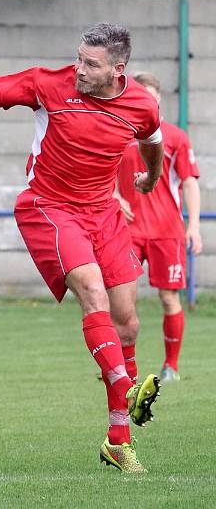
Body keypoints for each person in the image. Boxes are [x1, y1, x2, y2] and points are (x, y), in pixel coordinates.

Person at [0, 23, 163, 471]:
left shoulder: (140, 103)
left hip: (105, 214)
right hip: (50, 208)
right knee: (93, 295)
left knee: (129, 324)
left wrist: (151, 178)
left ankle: (118, 440)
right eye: (78, 57)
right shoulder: (50, 84)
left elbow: (152, 141)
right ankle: (126, 390)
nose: (79, 68)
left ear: (119, 69)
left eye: (90, 64)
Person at [114, 72, 202, 386]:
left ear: (159, 98)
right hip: (126, 231)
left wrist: (193, 226)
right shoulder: (118, 132)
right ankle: (123, 369)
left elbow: (189, 182)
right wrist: (114, 196)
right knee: (123, 302)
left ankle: (171, 367)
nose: (145, 101)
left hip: (167, 232)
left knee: (168, 299)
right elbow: (99, 172)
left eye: (150, 95)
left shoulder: (175, 137)